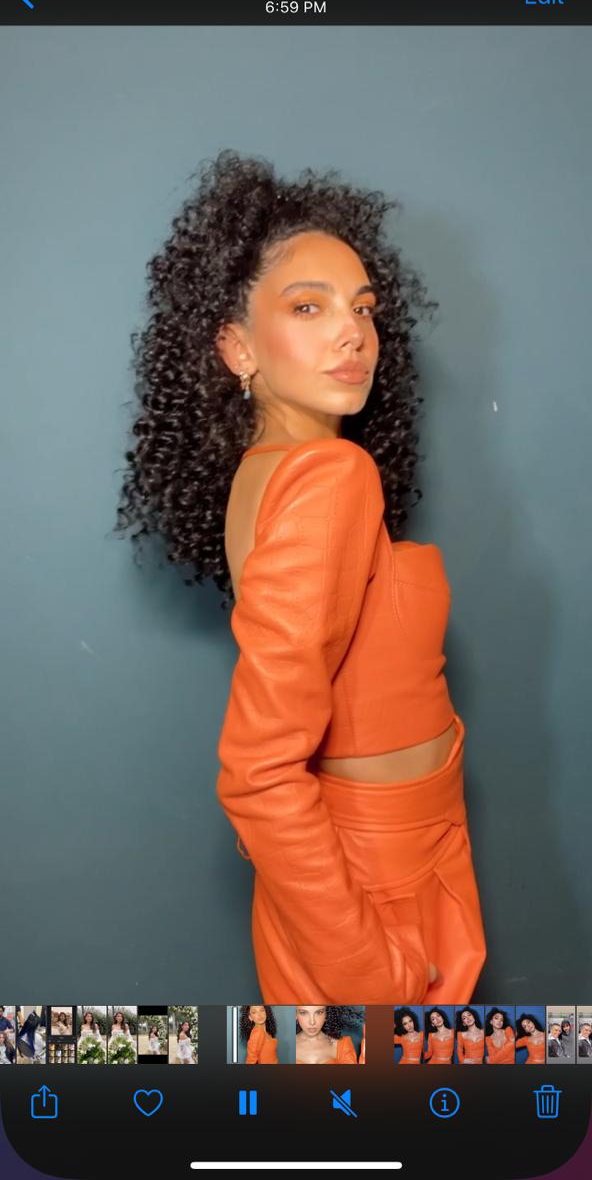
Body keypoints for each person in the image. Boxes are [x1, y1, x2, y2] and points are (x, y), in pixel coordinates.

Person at [115, 148, 487, 1005]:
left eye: (363, 308)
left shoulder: (270, 471)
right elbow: (258, 771)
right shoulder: (332, 477)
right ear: (236, 346)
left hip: (370, 869)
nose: (352, 333)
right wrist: (375, 976)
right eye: (308, 306)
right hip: (377, 891)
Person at [295, 1006, 360, 1064]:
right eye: (303, 1013)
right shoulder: (288, 1047)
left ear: (327, 1013)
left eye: (319, 1012)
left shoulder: (341, 1045)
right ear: (295, 1014)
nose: (312, 1022)